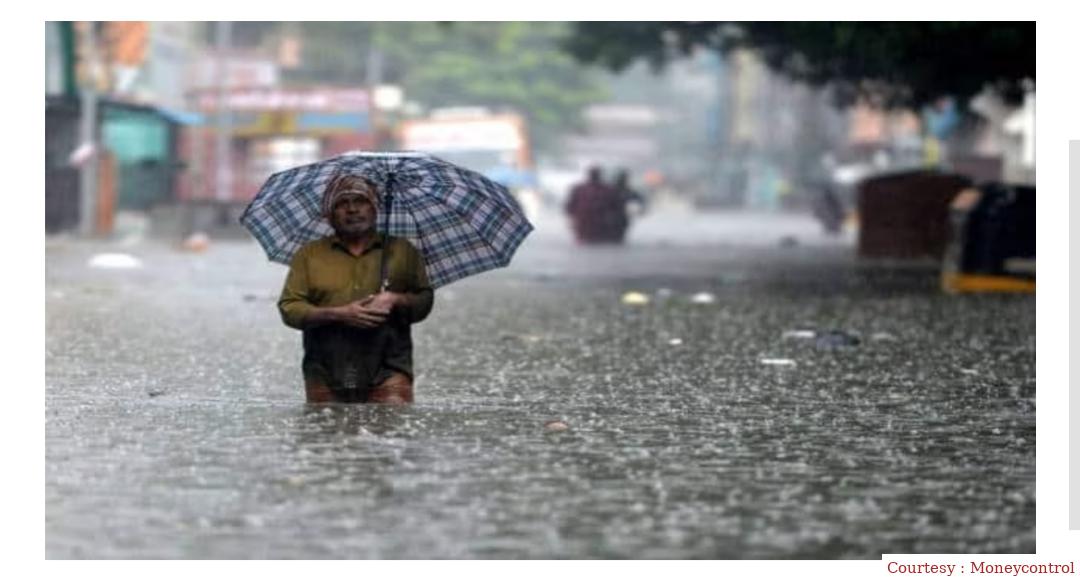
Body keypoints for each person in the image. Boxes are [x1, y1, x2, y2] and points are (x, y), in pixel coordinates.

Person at [278, 174, 434, 404]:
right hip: (325, 368)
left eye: (361, 201)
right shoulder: (309, 255)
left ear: (375, 208)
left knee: (392, 431)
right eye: (342, 204)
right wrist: (339, 314)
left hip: (389, 367)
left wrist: (394, 299)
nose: (352, 209)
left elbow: (424, 302)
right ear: (329, 215)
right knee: (325, 434)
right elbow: (289, 308)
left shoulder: (403, 251)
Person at [564, 166, 622, 244]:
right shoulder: (580, 189)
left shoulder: (607, 189)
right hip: (586, 223)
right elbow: (570, 206)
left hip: (597, 223)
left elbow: (616, 206)